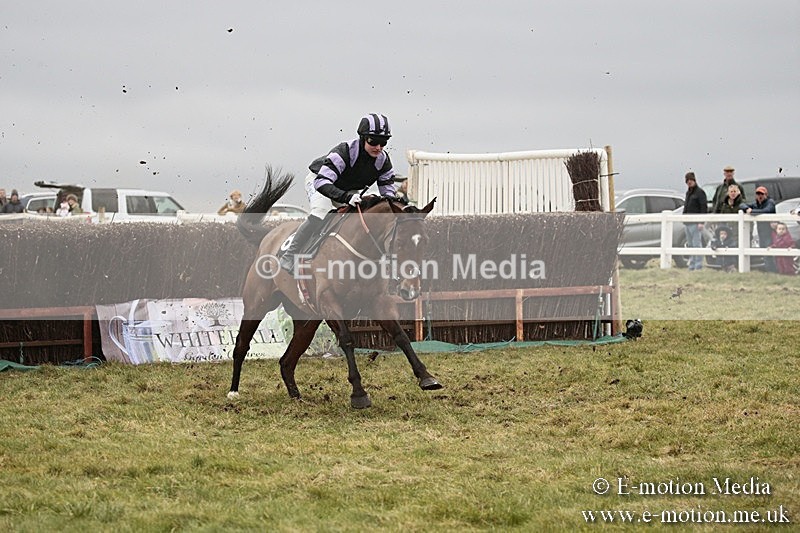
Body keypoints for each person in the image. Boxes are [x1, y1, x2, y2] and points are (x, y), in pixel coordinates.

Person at [279, 113, 399, 273]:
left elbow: (389, 197)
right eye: (373, 141)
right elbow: (322, 183)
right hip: (320, 181)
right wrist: (346, 197)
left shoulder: (383, 161)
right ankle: (289, 255)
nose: (378, 147)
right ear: (363, 138)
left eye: (383, 142)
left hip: (347, 189)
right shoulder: (344, 152)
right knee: (321, 212)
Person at [739, 186, 777, 272]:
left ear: (766, 195)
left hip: (770, 231)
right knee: (764, 251)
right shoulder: (755, 204)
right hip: (761, 231)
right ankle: (768, 271)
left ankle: (773, 271)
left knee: (770, 252)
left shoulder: (770, 202)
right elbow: (741, 205)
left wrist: (752, 212)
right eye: (758, 194)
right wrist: (746, 208)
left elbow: (767, 211)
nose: (760, 196)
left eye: (761, 194)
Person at [682, 172, 708, 271]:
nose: (689, 182)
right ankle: (691, 265)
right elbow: (686, 207)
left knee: (697, 244)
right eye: (687, 181)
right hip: (687, 223)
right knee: (690, 244)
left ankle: (698, 266)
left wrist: (701, 222)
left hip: (696, 223)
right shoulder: (688, 193)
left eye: (691, 180)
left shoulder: (700, 192)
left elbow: (703, 207)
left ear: (694, 180)